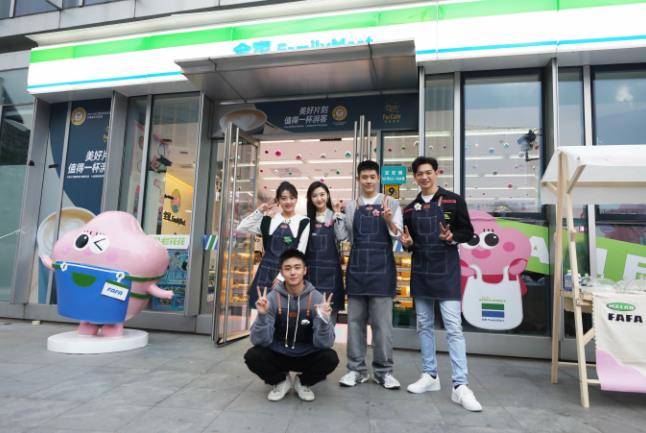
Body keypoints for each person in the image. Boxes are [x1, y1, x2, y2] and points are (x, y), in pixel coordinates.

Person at [400, 156, 482, 412]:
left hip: (446, 271)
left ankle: (460, 385)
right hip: (421, 272)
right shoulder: (409, 209)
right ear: (415, 177)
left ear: (437, 172)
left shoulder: (454, 201)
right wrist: (407, 244)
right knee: (424, 325)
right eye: (419, 174)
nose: (424, 177)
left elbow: (468, 232)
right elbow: (409, 241)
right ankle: (430, 375)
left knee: (453, 327)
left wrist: (452, 236)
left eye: (428, 172)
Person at [337, 160, 403, 389]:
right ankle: (356, 370)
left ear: (378, 178)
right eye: (364, 177)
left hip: (382, 270)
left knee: (382, 326)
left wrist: (389, 221)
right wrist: (337, 216)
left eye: (372, 177)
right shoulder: (351, 206)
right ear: (358, 179)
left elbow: (398, 236)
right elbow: (347, 237)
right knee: (354, 323)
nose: (368, 181)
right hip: (357, 269)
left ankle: (384, 372)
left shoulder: (391, 203)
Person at [244, 249, 339, 402]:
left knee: (330, 358)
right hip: (279, 353)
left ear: (305, 270)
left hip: (306, 354)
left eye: (297, 267)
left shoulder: (316, 298)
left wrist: (323, 320)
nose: (293, 272)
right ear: (281, 272)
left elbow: (324, 344)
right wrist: (262, 316)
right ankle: (281, 381)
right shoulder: (271, 298)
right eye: (287, 268)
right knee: (253, 356)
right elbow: (259, 341)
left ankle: (303, 382)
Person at [237, 181, 310, 308]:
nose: (288, 202)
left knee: (285, 312)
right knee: (261, 310)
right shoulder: (269, 220)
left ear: (296, 199)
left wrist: (282, 276)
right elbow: (242, 227)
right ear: (278, 201)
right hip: (265, 271)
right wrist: (259, 211)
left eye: (292, 198)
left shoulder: (303, 222)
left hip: (290, 273)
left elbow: (301, 251)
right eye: (284, 198)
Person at [304, 181, 348, 324]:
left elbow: (342, 237)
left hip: (331, 274)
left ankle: (327, 338)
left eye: (322, 194)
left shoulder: (335, 216)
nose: (319, 198)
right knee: (309, 314)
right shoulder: (306, 220)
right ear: (310, 199)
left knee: (329, 316)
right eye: (314, 196)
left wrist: (337, 215)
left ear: (328, 196)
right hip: (311, 274)